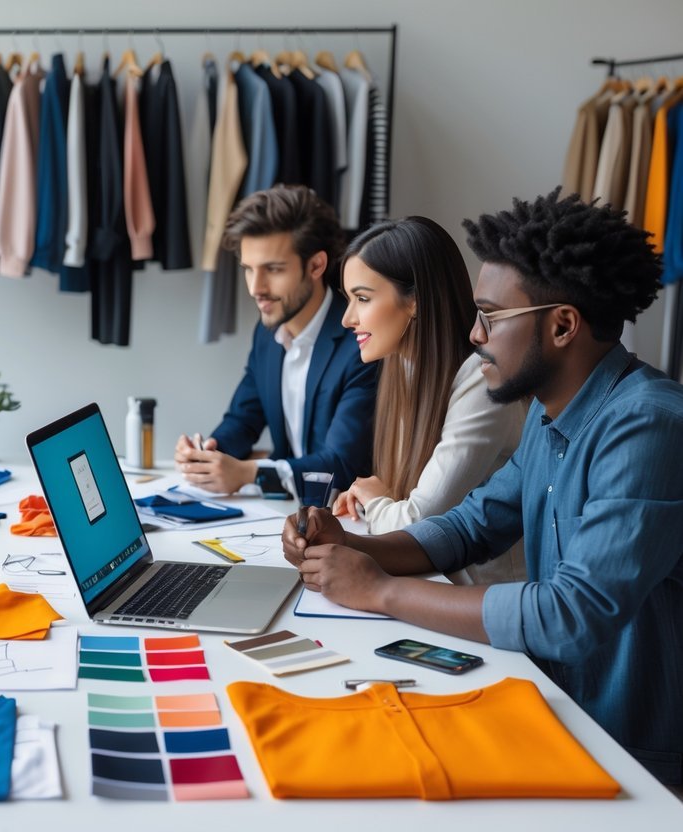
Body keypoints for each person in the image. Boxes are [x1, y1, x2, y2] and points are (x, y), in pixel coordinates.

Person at [283, 190, 683, 787]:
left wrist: (380, 592)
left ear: (563, 325)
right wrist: (352, 546)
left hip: (634, 755)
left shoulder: (647, 424)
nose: (473, 335)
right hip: (559, 710)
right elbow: (469, 527)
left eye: (490, 317)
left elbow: (571, 614)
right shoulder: (553, 420)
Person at [334, 216, 527, 584]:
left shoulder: (478, 382)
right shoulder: (404, 371)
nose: (347, 319)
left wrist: (376, 503)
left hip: (481, 608)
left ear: (416, 302)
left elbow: (416, 525)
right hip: (428, 587)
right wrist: (377, 497)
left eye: (362, 298)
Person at [176, 185, 378, 500]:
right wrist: (208, 454)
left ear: (316, 265)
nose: (257, 288)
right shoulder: (268, 334)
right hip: (285, 514)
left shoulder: (361, 342)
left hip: (347, 522)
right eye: (248, 270)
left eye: (273, 269)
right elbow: (242, 419)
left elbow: (342, 464)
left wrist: (249, 473)